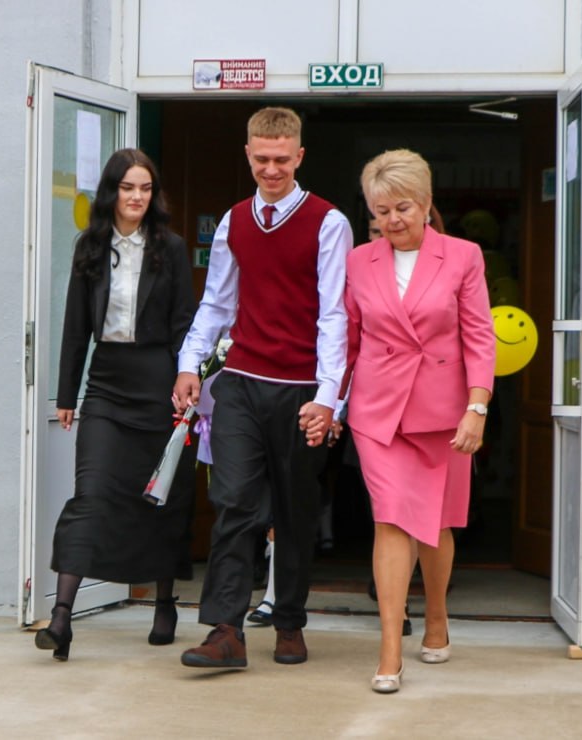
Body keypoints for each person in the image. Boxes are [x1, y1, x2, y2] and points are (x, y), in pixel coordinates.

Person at [173, 107, 352, 669]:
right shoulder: (233, 221)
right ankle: (225, 630)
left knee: (295, 510)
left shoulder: (329, 222)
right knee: (232, 502)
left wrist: (328, 397)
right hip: (242, 383)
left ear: (299, 156)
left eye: (281, 159)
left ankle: (289, 622)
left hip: (301, 388)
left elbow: (335, 314)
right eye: (261, 159)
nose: (271, 170)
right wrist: (189, 364)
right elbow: (216, 303)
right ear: (248, 155)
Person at [321, 149, 494, 693]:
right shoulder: (359, 261)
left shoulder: (463, 256)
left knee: (436, 524)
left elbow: (479, 336)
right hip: (379, 413)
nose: (392, 221)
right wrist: (331, 402)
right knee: (392, 519)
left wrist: (477, 407)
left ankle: (437, 615)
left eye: (402, 208)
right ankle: (390, 649)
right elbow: (347, 340)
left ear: (425, 203)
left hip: (444, 413)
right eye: (381, 211)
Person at [34, 148, 196, 661]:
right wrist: (67, 394)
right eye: (128, 188)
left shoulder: (170, 248)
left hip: (159, 384)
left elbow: (183, 323)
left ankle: (164, 602)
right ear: (111, 192)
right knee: (91, 494)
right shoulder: (90, 246)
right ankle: (62, 617)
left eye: (145, 188)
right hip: (105, 385)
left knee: (160, 497)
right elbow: (75, 326)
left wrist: (187, 383)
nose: (137, 197)